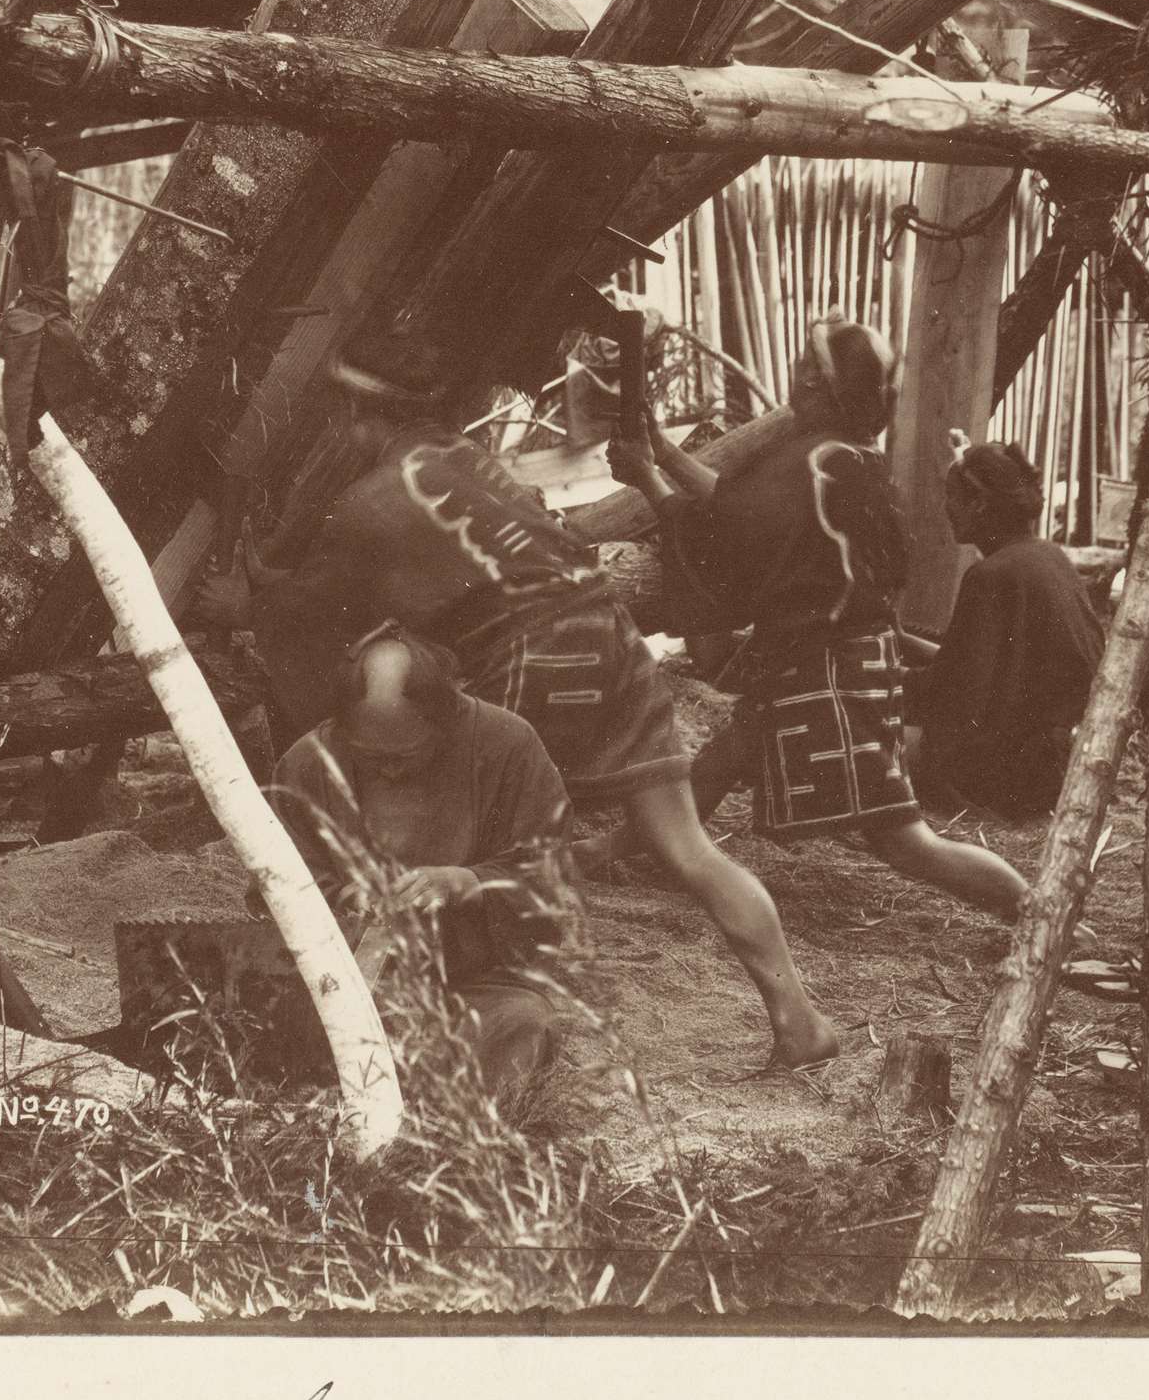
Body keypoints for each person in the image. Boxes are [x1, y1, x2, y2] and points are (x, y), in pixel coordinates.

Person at [244, 326, 844, 1068]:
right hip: (611, 636)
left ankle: (437, 1011)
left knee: (454, 842)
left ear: (359, 414)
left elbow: (311, 612)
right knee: (690, 849)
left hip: (532, 659)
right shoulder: (472, 459)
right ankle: (800, 1020)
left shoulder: (370, 502)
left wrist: (245, 598)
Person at [622, 319, 1033, 921]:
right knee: (729, 753)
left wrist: (646, 479)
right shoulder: (849, 458)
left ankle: (1036, 909)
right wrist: (662, 454)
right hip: (841, 661)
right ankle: (632, 850)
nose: (794, 375)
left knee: (903, 841)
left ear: (816, 383)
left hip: (826, 669)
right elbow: (740, 508)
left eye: (802, 367)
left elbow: (727, 531)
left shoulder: (812, 461)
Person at [268, 632, 573, 1102]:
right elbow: (276, 884)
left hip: (475, 981)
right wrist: (347, 898)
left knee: (522, 1025)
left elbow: (549, 867)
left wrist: (468, 883)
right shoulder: (309, 763)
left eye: (406, 757)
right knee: (278, 1021)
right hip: (349, 983)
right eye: (371, 759)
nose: (390, 772)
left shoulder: (507, 745)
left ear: (445, 719)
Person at [912, 441, 1099, 821]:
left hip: (1015, 774)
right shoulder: (1049, 556)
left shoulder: (990, 575)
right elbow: (975, 665)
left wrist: (881, 681)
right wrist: (901, 640)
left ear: (979, 505)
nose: (946, 508)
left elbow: (954, 691)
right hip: (1062, 764)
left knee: (879, 743)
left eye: (952, 497)